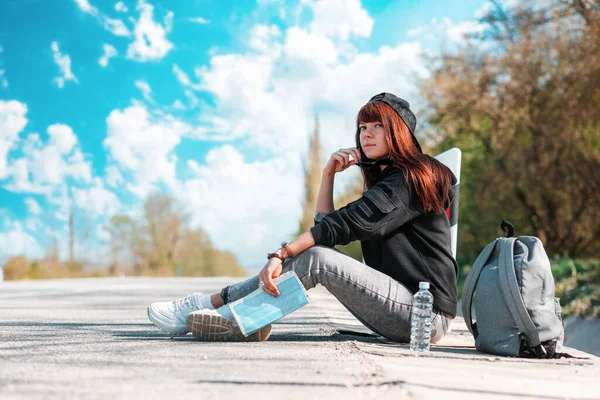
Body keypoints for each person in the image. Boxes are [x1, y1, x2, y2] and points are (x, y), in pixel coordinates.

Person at [147, 92, 458, 343]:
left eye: (377, 126)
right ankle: (234, 313)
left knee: (318, 258)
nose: (366, 134)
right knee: (316, 251)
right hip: (403, 303)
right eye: (363, 127)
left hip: (423, 315)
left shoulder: (415, 176)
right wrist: (328, 175)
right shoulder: (391, 179)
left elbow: (348, 224)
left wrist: (282, 254)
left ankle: (221, 309)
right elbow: (326, 226)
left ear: (399, 132)